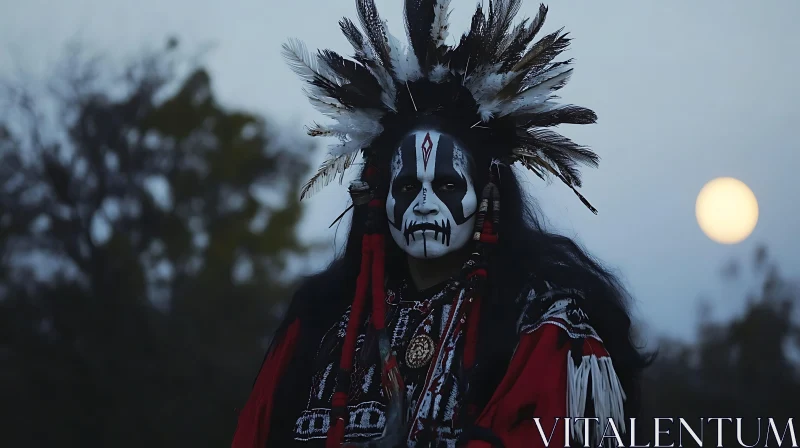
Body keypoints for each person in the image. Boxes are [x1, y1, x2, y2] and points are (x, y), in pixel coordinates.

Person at [232, 0, 650, 447]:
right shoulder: (320, 322)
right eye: (409, 186)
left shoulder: (545, 327)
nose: (427, 205)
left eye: (448, 186)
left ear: (487, 192)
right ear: (379, 194)